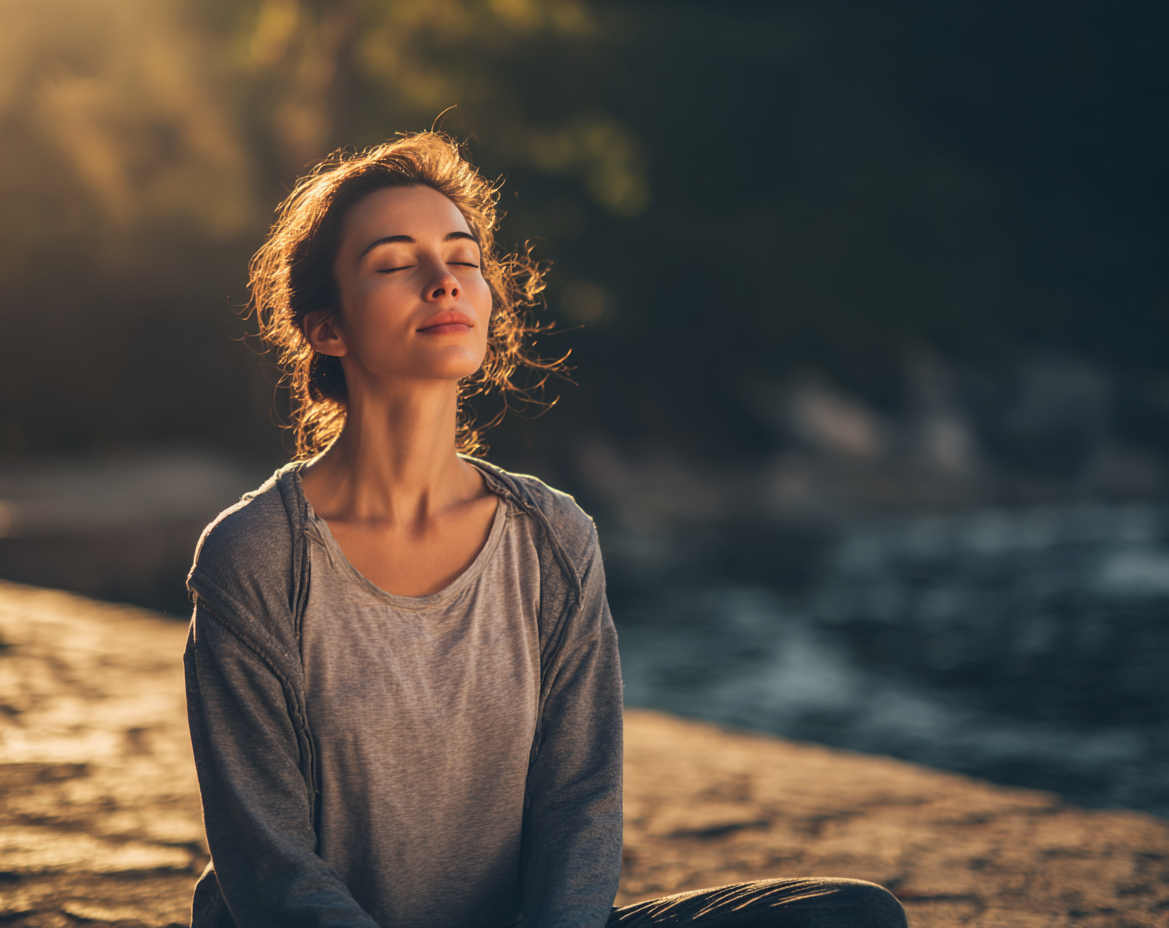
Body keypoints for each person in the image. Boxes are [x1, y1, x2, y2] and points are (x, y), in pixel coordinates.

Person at [183, 132, 907, 928]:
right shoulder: (256, 554)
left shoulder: (554, 537)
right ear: (327, 329)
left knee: (851, 916)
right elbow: (271, 866)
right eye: (395, 264)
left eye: (463, 259)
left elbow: (580, 804)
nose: (443, 281)